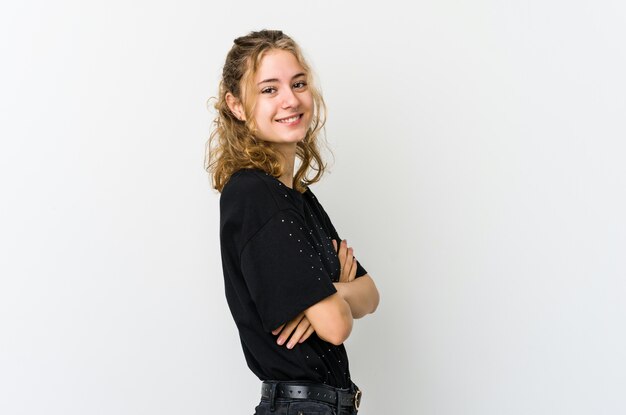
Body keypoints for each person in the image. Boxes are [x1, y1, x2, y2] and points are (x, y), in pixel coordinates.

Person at [205, 29, 380, 415]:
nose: (290, 99)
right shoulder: (254, 195)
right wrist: (336, 297)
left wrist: (334, 292)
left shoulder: (297, 198)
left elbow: (370, 295)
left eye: (298, 83)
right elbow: (336, 326)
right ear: (237, 106)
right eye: (269, 89)